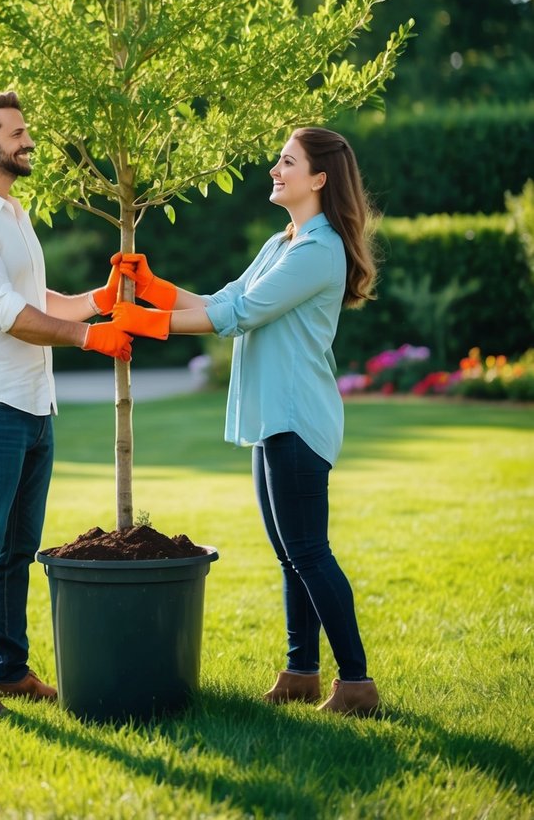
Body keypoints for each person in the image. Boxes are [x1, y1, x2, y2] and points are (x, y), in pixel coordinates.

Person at [112, 127, 381, 717]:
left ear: (319, 178)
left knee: (309, 551)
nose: (274, 171)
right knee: (290, 555)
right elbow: (222, 297)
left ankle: (356, 683)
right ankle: (301, 672)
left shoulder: (319, 250)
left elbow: (236, 317)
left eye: (287, 162)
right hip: (272, 419)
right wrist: (153, 288)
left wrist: (137, 320)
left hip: (298, 419)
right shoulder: (282, 243)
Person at [0, 89, 132, 720]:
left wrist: (99, 299)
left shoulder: (11, 211)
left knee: (18, 549)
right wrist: (86, 336)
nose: (28, 141)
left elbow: (33, 295)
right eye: (17, 133)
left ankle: (11, 671)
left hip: (32, 405)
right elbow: (4, 314)